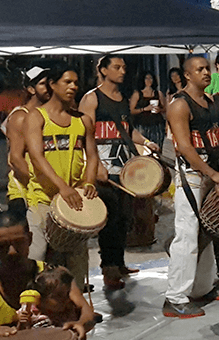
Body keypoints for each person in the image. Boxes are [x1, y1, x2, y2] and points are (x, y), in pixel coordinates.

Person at [163, 56, 219, 318]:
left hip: (210, 174)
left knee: (206, 233)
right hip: (191, 178)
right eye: (200, 69)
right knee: (187, 236)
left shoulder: (208, 101)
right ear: (187, 75)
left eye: (208, 68)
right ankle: (174, 298)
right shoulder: (179, 105)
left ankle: (202, 288)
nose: (207, 73)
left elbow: (215, 141)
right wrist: (211, 173)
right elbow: (184, 147)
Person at [79, 55, 159, 291]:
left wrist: (146, 142)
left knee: (124, 218)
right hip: (104, 168)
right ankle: (109, 269)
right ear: (103, 70)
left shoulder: (123, 99)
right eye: (116, 67)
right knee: (111, 219)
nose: (122, 71)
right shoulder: (91, 98)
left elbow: (127, 131)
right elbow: (85, 135)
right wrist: (96, 166)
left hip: (125, 168)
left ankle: (119, 263)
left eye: (124, 67)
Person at [0, 211, 94, 340]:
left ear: (30, 239)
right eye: (2, 246)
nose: (12, 252)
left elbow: (87, 314)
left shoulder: (56, 275)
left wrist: (80, 324)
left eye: (18, 242)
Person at [23, 64, 99, 288]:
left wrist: (89, 182)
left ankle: (77, 307)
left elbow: (92, 156)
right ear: (52, 85)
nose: (73, 86)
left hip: (73, 200)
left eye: (76, 82)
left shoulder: (83, 120)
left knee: (77, 258)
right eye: (67, 82)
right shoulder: (36, 117)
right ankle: (33, 305)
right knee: (38, 253)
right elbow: (37, 157)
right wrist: (62, 188)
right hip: (42, 198)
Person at [3, 66, 52, 217]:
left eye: (51, 83)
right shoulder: (20, 117)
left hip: (46, 192)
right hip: (24, 193)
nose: (49, 88)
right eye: (43, 84)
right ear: (31, 89)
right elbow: (16, 160)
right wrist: (38, 185)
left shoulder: (50, 115)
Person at [130, 71, 167, 146]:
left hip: (157, 124)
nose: (149, 80)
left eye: (151, 78)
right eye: (146, 78)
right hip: (142, 124)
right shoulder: (137, 94)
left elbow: (165, 108)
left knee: (157, 146)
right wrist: (144, 109)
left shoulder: (158, 93)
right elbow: (131, 110)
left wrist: (159, 110)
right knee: (144, 147)